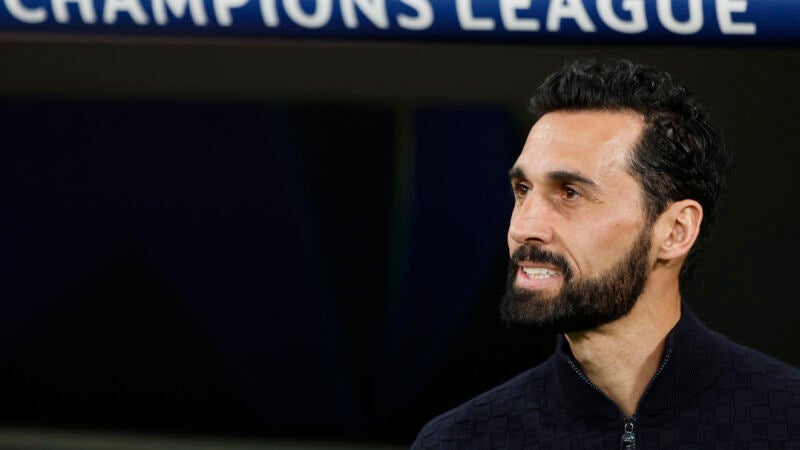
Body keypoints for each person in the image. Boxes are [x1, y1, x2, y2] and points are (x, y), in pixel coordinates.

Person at [411, 58, 800, 449]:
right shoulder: (460, 440)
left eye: (570, 193)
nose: (523, 228)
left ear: (676, 231)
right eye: (523, 190)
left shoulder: (786, 418)